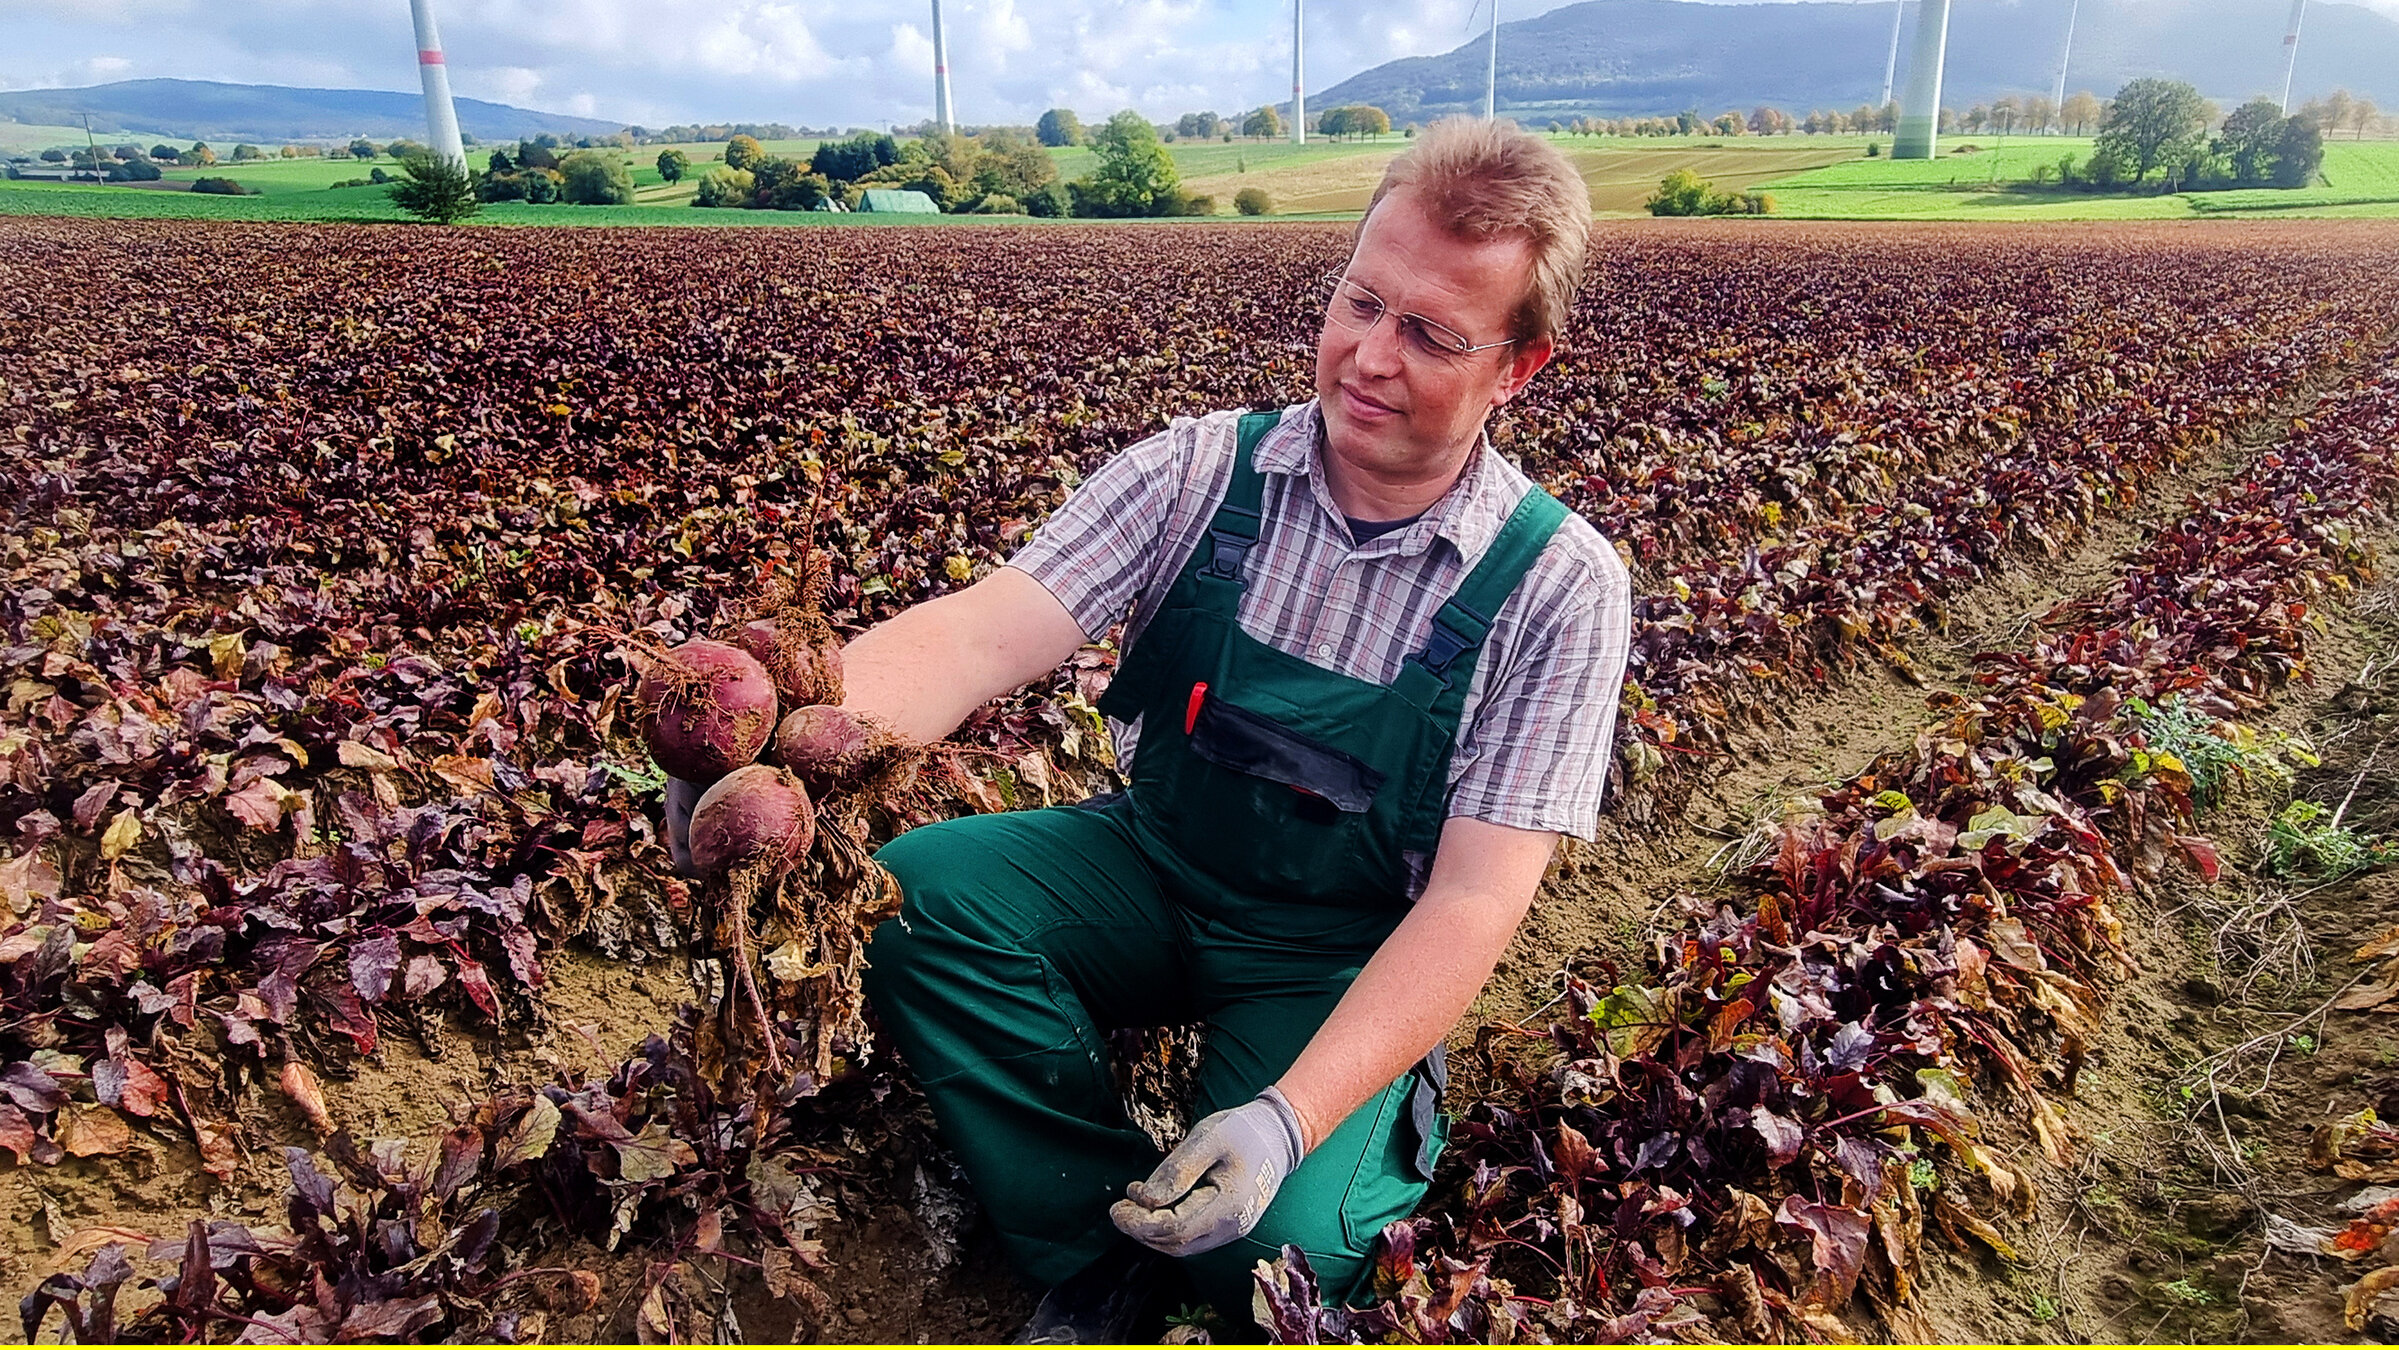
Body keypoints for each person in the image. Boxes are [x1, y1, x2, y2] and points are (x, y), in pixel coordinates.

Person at [670, 116, 1631, 1340]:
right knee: (913, 900)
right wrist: (783, 743)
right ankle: (1091, 1238)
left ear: (1517, 369)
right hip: (1153, 864)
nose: (1367, 356)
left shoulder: (1554, 587)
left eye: (1430, 333)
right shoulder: (1197, 473)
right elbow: (982, 634)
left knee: (1270, 1255)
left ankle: (1251, 1175)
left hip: (1334, 958)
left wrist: (1288, 1117)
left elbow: (1472, 904)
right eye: (1358, 302)